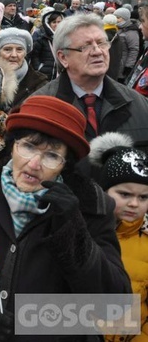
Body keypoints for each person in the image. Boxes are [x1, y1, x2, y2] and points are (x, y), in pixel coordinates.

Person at [0, 96, 131, 341]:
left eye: (51, 155)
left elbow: (115, 306)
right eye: (28, 147)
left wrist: (73, 231)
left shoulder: (90, 207)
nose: (34, 164)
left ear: (65, 164)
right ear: (13, 146)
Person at [32, 13, 148, 142]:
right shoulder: (39, 107)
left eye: (101, 43)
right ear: (63, 57)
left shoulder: (138, 104)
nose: (98, 52)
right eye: (85, 46)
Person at [90, 133, 148, 342]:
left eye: (143, 197)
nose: (134, 203)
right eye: (124, 194)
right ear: (104, 191)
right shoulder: (85, 232)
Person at [0, 27, 48, 108]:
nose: (14, 55)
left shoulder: (40, 84)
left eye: (19, 49)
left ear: (25, 53)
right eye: (7, 49)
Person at [30, 7, 65, 80]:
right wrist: (39, 68)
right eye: (54, 22)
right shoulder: (42, 39)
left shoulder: (67, 39)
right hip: (45, 76)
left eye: (59, 22)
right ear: (48, 24)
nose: (57, 24)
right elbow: (34, 56)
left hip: (62, 76)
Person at [115, 6, 141, 80]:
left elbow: (134, 49)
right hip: (115, 64)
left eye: (118, 17)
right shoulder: (117, 28)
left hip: (123, 66)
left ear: (125, 18)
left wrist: (128, 66)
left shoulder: (131, 31)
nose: (116, 19)